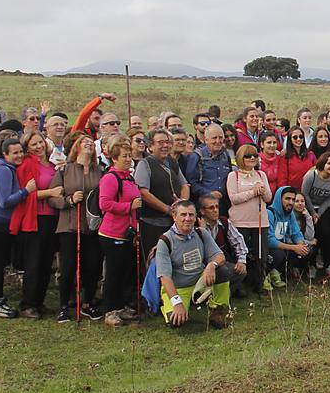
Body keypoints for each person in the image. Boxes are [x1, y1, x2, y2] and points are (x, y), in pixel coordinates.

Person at [152, 200, 234, 329]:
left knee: (223, 270)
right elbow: (165, 277)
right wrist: (177, 303)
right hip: (179, 287)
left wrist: (211, 265)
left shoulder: (201, 233)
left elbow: (220, 256)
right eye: (183, 215)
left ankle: (218, 310)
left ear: (196, 217)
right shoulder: (165, 241)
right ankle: (170, 306)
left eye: (191, 215)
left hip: (199, 283)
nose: (187, 219)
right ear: (174, 216)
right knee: (176, 323)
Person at [51, 131, 104, 322]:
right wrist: (70, 200)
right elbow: (53, 198)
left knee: (92, 266)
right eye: (85, 142)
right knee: (68, 267)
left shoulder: (101, 172)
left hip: (92, 227)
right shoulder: (65, 170)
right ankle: (64, 306)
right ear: (77, 147)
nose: (89, 144)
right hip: (69, 226)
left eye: (92, 142)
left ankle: (88, 303)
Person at [13, 131, 65, 319]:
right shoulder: (27, 165)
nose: (39, 146)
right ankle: (28, 303)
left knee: (45, 263)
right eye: (34, 144)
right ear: (27, 147)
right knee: (34, 262)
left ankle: (39, 301)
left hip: (53, 218)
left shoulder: (51, 165)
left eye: (40, 142)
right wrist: (50, 192)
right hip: (36, 219)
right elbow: (25, 194)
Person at [0, 136, 35, 318]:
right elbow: (4, 201)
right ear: (5, 154)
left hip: (3, 224)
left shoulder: (8, 168)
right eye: (15, 153)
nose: (19, 155)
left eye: (21, 151)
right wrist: (26, 191)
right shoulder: (3, 171)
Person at [97, 139, 142, 327]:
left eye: (129, 155)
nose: (128, 159)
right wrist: (128, 207)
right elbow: (104, 204)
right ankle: (110, 310)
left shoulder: (128, 177)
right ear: (114, 159)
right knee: (114, 273)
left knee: (126, 272)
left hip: (128, 232)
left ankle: (121, 305)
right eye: (124, 156)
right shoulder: (110, 178)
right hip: (112, 232)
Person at [134, 128, 190, 271]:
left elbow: (184, 184)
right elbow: (144, 193)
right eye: (160, 142)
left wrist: (182, 205)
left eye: (167, 142)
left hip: (173, 223)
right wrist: (168, 209)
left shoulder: (172, 162)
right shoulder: (145, 164)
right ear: (150, 146)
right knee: (155, 262)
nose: (165, 145)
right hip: (152, 223)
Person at [227, 143, 272, 294]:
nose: (252, 158)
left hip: (259, 221)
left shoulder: (261, 175)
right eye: (248, 156)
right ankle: (239, 285)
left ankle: (259, 283)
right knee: (241, 255)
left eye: (255, 155)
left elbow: (268, 198)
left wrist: (262, 190)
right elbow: (234, 198)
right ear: (241, 158)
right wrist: (253, 192)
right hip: (240, 221)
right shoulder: (234, 176)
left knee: (261, 254)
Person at [301, 152, 330, 273]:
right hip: (308, 207)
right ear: (322, 164)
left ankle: (328, 264)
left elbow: (329, 199)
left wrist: (319, 214)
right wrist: (312, 212)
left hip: (323, 208)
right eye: (329, 163)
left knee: (326, 233)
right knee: (311, 235)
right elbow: (304, 194)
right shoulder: (311, 176)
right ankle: (311, 265)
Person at [198, 193, 248, 300]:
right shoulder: (195, 226)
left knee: (240, 271)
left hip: (219, 262)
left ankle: (220, 297)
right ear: (202, 211)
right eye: (211, 208)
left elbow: (239, 241)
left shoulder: (224, 222)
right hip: (200, 266)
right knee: (224, 270)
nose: (215, 210)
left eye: (217, 207)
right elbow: (203, 251)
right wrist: (202, 231)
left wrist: (242, 261)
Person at [186, 123, 234, 218]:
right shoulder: (197, 156)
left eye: (220, 138)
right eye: (214, 138)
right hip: (205, 207)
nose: (218, 141)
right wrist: (208, 193)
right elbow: (192, 182)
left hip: (224, 206)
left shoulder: (225, 155)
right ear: (206, 139)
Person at [267, 186, 311, 287]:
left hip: (283, 246)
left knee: (308, 249)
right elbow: (269, 240)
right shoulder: (270, 213)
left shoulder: (290, 214)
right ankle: (267, 274)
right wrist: (294, 247)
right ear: (279, 199)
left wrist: (301, 245)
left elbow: (296, 233)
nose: (291, 202)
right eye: (287, 199)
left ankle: (289, 271)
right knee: (278, 254)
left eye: (293, 199)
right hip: (270, 249)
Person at [281, 126, 316, 192]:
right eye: (295, 137)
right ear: (290, 139)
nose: (298, 139)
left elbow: (317, 172)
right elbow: (282, 179)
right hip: (293, 193)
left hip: (310, 191)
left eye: (301, 136)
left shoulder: (310, 155)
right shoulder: (285, 157)